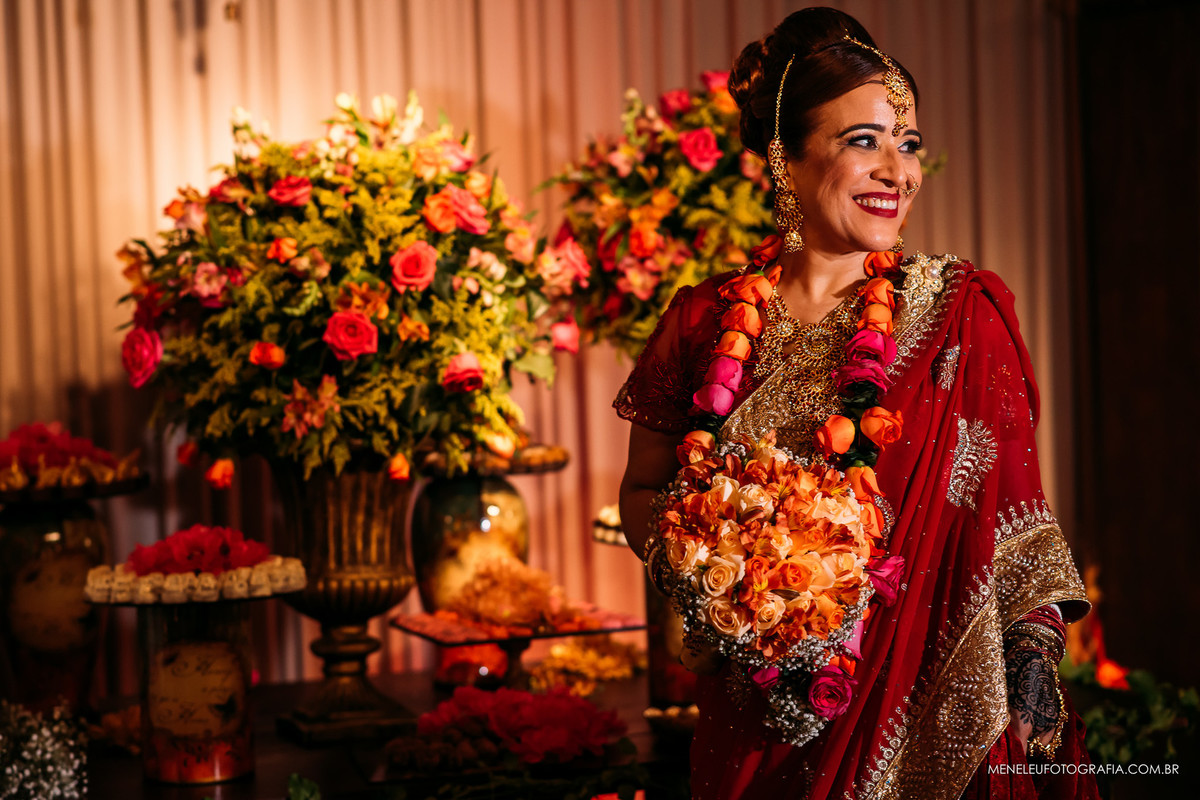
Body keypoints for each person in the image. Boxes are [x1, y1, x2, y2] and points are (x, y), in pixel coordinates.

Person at [615, 8, 1099, 800]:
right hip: (753, 724)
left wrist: (1034, 682)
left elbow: (1020, 530)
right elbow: (642, 491)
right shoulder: (701, 322)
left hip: (938, 716)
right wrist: (718, 568)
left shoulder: (964, 313)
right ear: (786, 159)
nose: (898, 172)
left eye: (908, 144)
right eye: (865, 141)